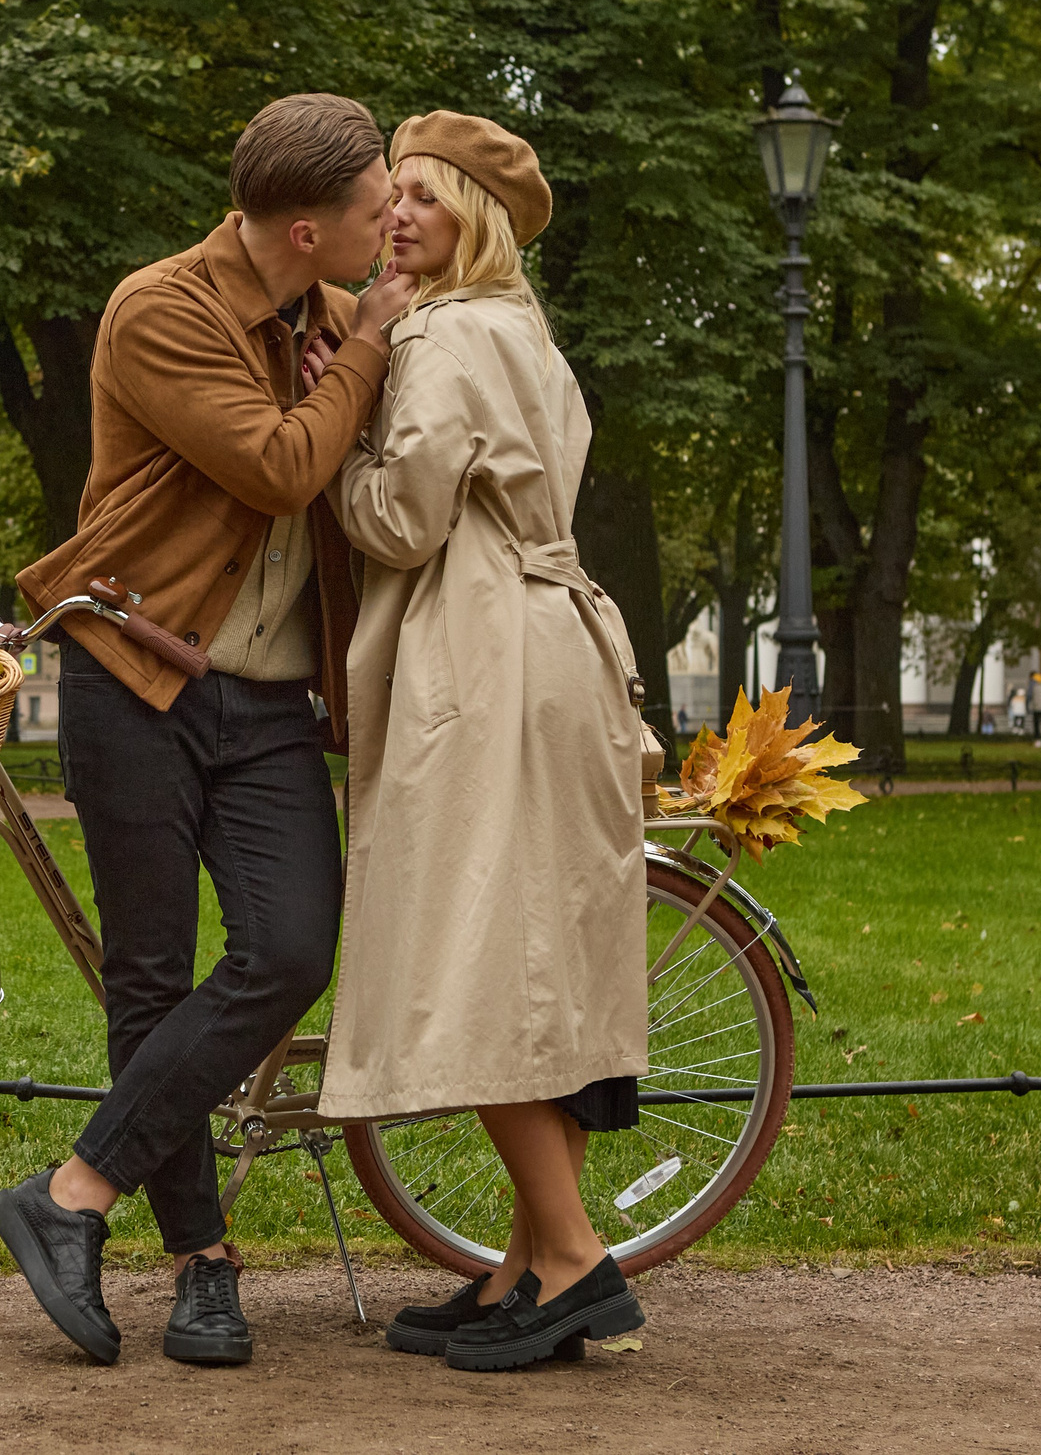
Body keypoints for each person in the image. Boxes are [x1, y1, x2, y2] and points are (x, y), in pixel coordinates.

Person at [0, 94, 416, 1368]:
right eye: (375, 200)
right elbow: (282, 469)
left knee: (288, 950)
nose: (392, 215)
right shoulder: (162, 309)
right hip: (139, 677)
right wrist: (376, 351)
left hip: (274, 697)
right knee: (151, 975)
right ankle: (202, 1264)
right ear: (302, 225)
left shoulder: (337, 314)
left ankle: (68, 1196)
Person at [320, 112, 650, 1372]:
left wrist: (330, 458)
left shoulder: (446, 336)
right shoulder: (530, 338)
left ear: (475, 220)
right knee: (535, 954)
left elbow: (402, 520)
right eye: (388, 197)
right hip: (557, 649)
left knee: (474, 949)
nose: (396, 216)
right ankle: (524, 1264)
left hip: (484, 657)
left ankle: (573, 1263)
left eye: (425, 199)